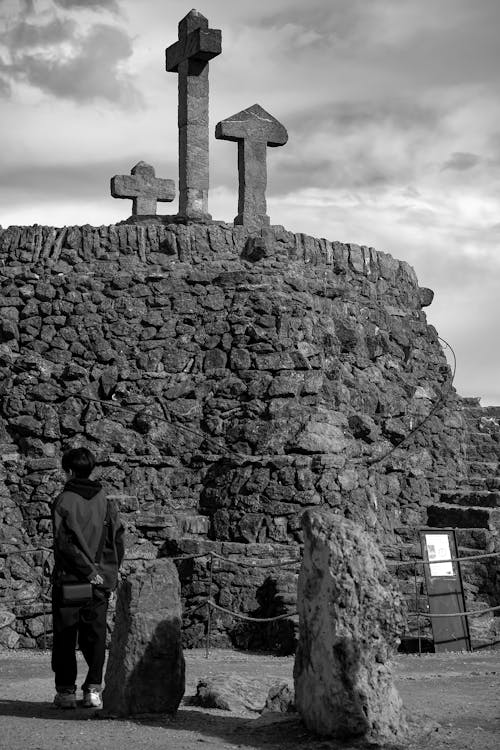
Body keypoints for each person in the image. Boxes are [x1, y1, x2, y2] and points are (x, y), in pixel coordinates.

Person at [51, 447, 125, 709]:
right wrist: (107, 576)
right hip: (101, 581)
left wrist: (87, 573)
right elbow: (117, 541)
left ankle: (66, 691)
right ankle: (93, 689)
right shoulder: (106, 502)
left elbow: (64, 544)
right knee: (95, 636)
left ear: (68, 471)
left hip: (71, 580)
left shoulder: (63, 501)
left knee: (65, 636)